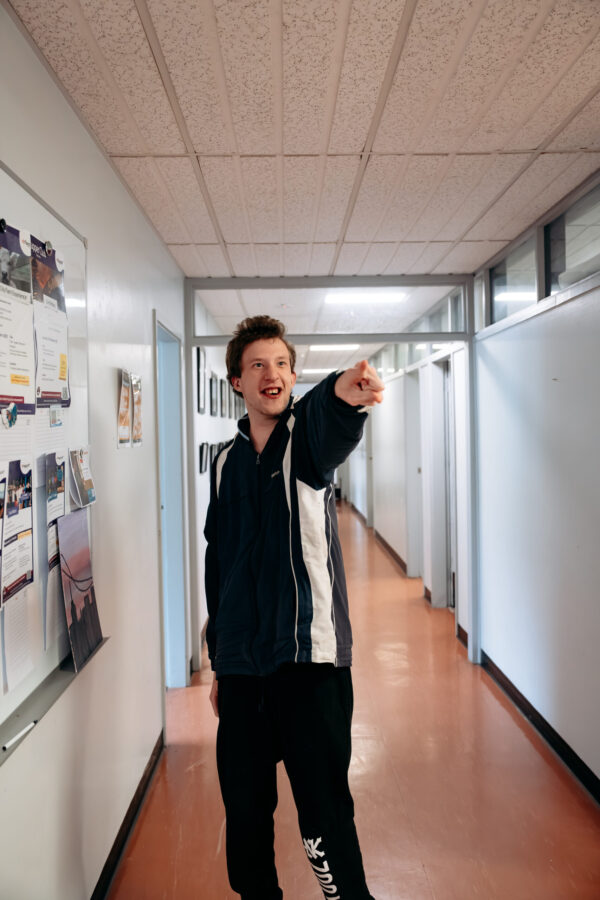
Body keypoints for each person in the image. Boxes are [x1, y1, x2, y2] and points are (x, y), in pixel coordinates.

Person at [204, 315, 384, 900]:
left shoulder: (304, 445)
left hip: (309, 663)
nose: (271, 374)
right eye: (257, 364)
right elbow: (221, 564)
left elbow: (329, 420)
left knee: (324, 824)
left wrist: (345, 395)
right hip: (242, 671)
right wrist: (219, 660)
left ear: (293, 375)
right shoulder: (225, 464)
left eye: (281, 364)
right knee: (246, 823)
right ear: (237, 381)